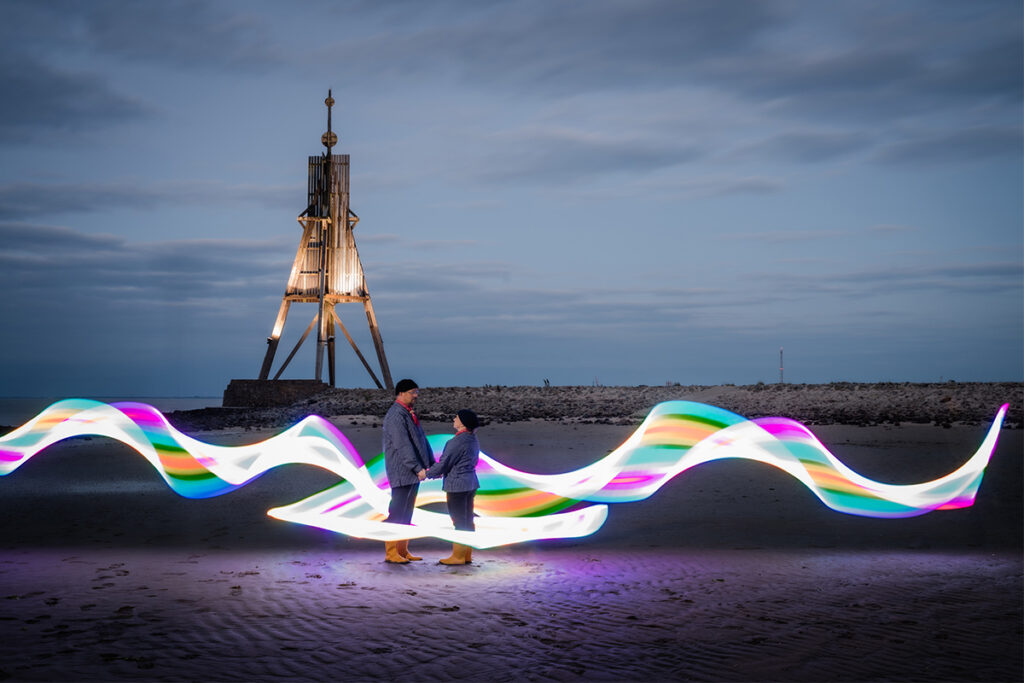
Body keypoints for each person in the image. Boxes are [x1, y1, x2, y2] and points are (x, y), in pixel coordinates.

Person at [381, 378, 435, 563]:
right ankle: (391, 552)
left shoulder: (408, 413)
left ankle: (402, 551)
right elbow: (402, 445)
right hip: (401, 470)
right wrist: (416, 467)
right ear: (401, 393)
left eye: (416, 392)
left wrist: (430, 463)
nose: (415, 396)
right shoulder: (396, 416)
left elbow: (421, 439)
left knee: (407, 512)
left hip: (412, 472)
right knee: (397, 511)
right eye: (413, 392)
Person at [426, 409, 480, 565]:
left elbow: (444, 463)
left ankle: (458, 556)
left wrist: (427, 474)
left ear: (462, 422)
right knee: (468, 520)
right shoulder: (472, 439)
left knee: (459, 521)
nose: (454, 419)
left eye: (456, 417)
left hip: (457, 485)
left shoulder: (456, 442)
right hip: (470, 483)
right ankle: (466, 555)